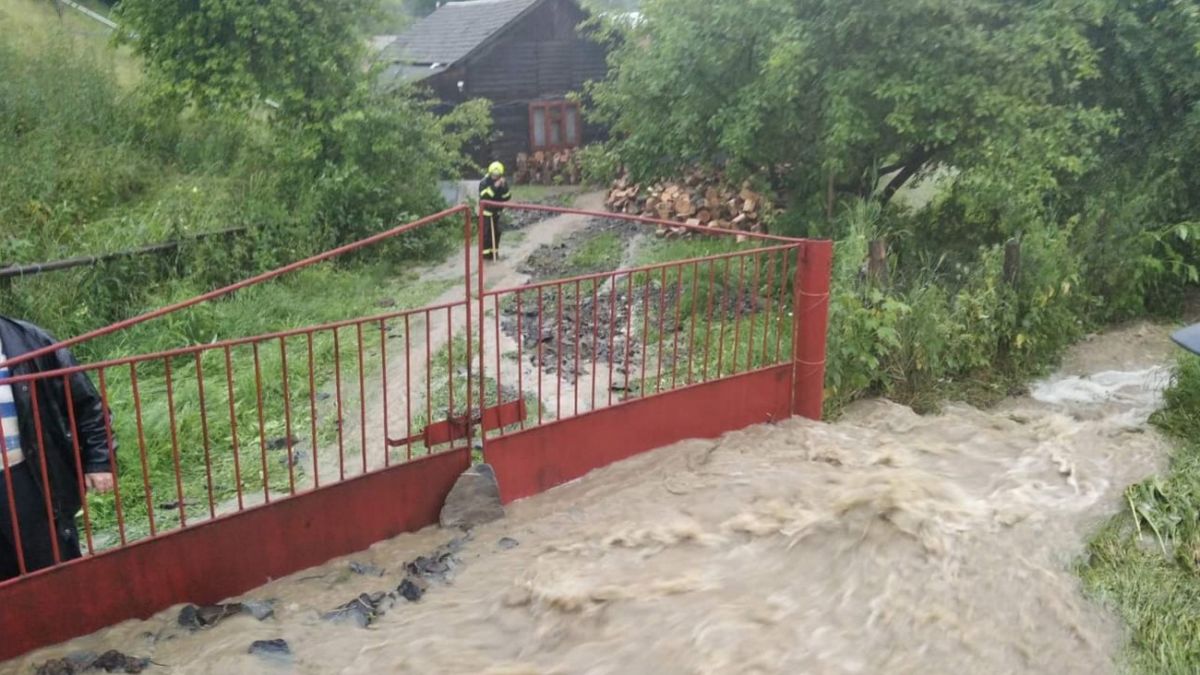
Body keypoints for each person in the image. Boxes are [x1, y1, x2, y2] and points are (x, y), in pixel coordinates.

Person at [0, 315, 114, 580]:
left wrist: (100, 460)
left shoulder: (28, 341)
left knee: (52, 568)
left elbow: (86, 403)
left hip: (26, 477)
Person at [479, 161, 513, 261]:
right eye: (494, 175)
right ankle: (485, 256)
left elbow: (507, 197)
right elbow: (484, 196)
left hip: (497, 212)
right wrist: (495, 186)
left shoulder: (503, 182)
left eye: (497, 176)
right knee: (486, 235)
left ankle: (494, 254)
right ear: (490, 173)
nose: (495, 177)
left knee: (497, 233)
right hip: (486, 212)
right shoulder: (484, 182)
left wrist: (504, 187)